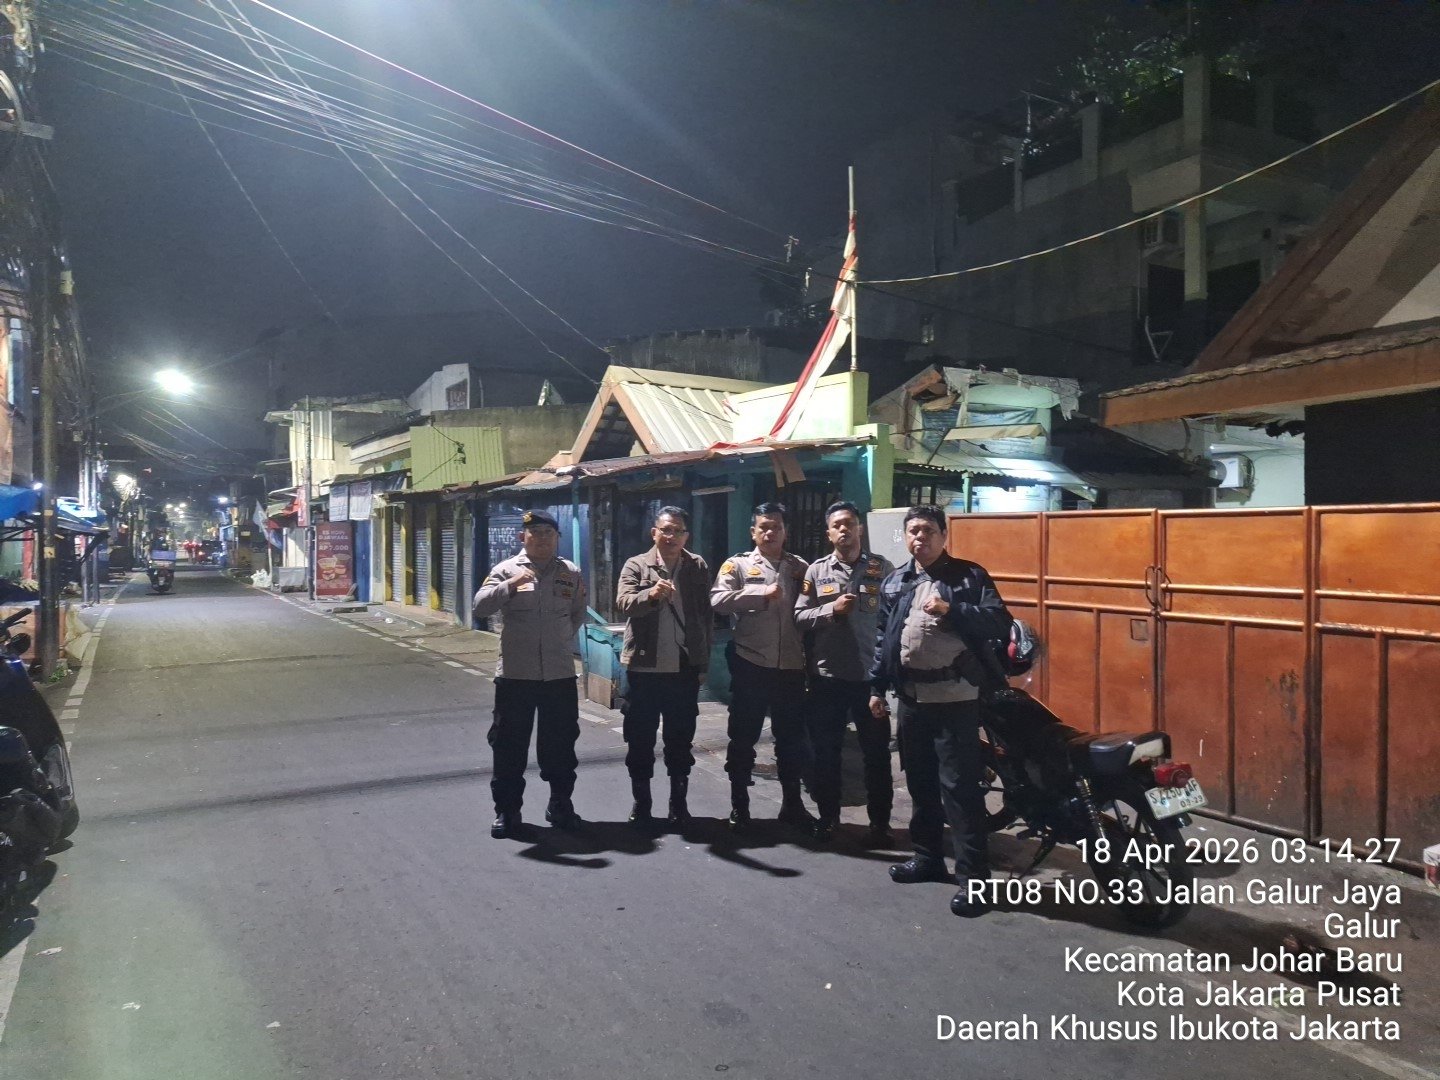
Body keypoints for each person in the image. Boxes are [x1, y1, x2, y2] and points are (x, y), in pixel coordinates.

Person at [869, 505, 1013, 918]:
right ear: (906, 536)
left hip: (956, 699)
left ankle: (975, 880)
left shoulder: (969, 576)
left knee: (960, 790)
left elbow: (999, 622)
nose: (920, 538)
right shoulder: (896, 580)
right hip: (911, 699)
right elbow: (883, 637)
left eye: (929, 531)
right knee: (920, 784)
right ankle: (927, 857)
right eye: (913, 531)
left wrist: (953, 610)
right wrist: (877, 687)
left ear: (944, 535)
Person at [472, 509, 589, 838]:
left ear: (557, 538)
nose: (541, 538)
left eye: (548, 533)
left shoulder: (571, 573)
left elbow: (576, 614)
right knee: (508, 746)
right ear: (522, 537)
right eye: (534, 532)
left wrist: (557, 642)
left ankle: (560, 804)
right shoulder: (505, 570)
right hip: (516, 675)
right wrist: (510, 585)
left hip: (559, 675)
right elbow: (480, 606)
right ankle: (507, 811)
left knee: (561, 746)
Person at [795, 501, 896, 846]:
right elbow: (799, 617)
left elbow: (893, 620)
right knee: (827, 754)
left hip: (871, 680)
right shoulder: (816, 572)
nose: (844, 529)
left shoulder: (883, 568)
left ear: (859, 529)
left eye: (849, 523)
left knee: (877, 756)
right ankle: (828, 818)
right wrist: (830, 610)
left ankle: (880, 826)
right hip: (828, 678)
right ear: (828, 533)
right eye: (837, 525)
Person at [710, 501, 814, 834]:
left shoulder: (800, 567)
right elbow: (717, 600)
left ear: (785, 532)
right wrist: (759, 594)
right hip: (752, 664)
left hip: (791, 667)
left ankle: (792, 804)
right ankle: (740, 804)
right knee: (743, 738)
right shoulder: (737, 565)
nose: (770, 533)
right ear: (753, 532)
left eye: (776, 527)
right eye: (764, 527)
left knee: (790, 740)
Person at [614, 506, 712, 828]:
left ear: (687, 536)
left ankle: (678, 804)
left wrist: (702, 662)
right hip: (643, 669)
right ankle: (641, 803)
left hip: (683, 670)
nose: (671, 536)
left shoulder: (697, 566)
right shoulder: (637, 565)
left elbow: (704, 617)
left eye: (678, 531)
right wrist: (651, 594)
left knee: (680, 741)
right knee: (640, 740)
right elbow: (623, 603)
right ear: (654, 532)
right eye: (666, 530)